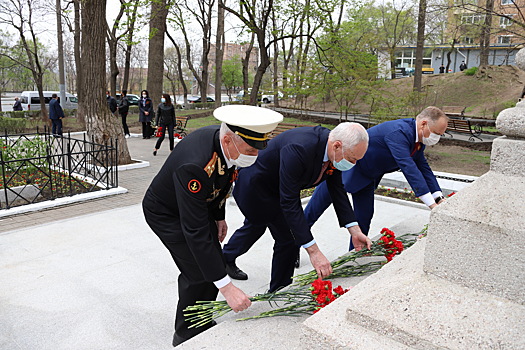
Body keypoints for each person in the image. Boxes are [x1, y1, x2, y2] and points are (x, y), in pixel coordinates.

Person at [142, 105, 283, 347]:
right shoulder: (195, 165)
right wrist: (228, 289)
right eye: (250, 150)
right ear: (229, 139)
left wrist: (219, 216)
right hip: (166, 213)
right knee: (197, 272)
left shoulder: (227, 145)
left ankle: (203, 320)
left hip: (197, 207)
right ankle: (185, 334)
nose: (254, 156)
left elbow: (224, 179)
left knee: (212, 262)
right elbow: (194, 231)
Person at [222, 122, 372, 293]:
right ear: (337, 146)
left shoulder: (333, 150)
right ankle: (279, 291)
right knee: (287, 237)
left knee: (257, 227)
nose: (353, 163)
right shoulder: (300, 148)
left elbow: (337, 190)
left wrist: (354, 230)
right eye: (353, 158)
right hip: (256, 188)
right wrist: (314, 252)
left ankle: (226, 257)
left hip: (279, 188)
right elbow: (290, 202)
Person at [304, 106, 448, 250]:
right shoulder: (399, 132)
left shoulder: (417, 141)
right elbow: (408, 168)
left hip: (367, 177)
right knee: (313, 211)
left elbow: (424, 169)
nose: (437, 138)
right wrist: (431, 205)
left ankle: (353, 256)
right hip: (344, 170)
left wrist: (439, 198)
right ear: (423, 124)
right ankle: (294, 245)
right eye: (436, 133)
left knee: (364, 217)